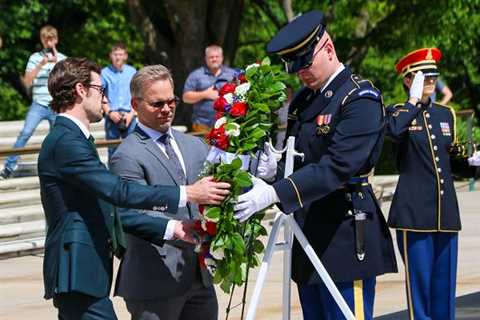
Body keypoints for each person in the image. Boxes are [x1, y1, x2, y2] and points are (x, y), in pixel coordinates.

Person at [233, 11, 397, 320]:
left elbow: (336, 167)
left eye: (305, 64)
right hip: (308, 230)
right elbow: (303, 159)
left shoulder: (359, 99)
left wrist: (275, 193)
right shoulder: (305, 101)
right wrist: (275, 171)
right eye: (295, 69)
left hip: (345, 232)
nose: (301, 75)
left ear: (329, 49)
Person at [39, 57, 230, 320]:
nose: (105, 100)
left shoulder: (73, 139)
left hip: (89, 269)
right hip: (78, 268)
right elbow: (119, 193)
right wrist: (186, 193)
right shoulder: (66, 141)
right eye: (100, 90)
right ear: (81, 91)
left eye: (171, 101)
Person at [110, 65, 217, 320]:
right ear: (135, 105)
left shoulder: (193, 145)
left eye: (171, 101)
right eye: (157, 104)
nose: (167, 109)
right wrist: (174, 227)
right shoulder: (126, 156)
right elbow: (129, 214)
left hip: (200, 278)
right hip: (153, 282)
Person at [386, 48, 474, 320]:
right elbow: (393, 133)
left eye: (433, 76)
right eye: (424, 77)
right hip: (415, 214)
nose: (431, 82)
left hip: (445, 213)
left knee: (444, 290)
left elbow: (451, 161)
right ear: (407, 80)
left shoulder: (445, 114)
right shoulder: (397, 112)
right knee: (420, 293)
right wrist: (412, 103)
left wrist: (469, 158)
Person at [0, 25, 66, 179]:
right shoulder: (35, 58)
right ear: (42, 40)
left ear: (56, 40)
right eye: (46, 39)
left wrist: (56, 60)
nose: (48, 42)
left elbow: (67, 81)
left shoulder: (63, 58)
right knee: (25, 133)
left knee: (58, 138)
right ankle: (9, 167)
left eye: (51, 39)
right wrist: (41, 65)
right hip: (39, 104)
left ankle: (57, 170)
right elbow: (27, 82)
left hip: (56, 105)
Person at [182, 45, 236, 133]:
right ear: (206, 58)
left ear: (222, 58)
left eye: (217, 56)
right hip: (202, 125)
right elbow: (186, 97)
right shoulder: (196, 75)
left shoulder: (232, 74)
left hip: (228, 124)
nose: (214, 59)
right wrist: (205, 94)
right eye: (211, 57)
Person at [101, 42, 137, 161]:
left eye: (121, 54)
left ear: (125, 56)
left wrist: (131, 114)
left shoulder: (132, 72)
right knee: (113, 150)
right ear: (111, 56)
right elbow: (100, 94)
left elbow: (137, 94)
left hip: (129, 116)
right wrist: (109, 112)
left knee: (133, 149)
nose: (118, 57)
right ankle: (113, 177)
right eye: (115, 54)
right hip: (112, 116)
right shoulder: (104, 73)